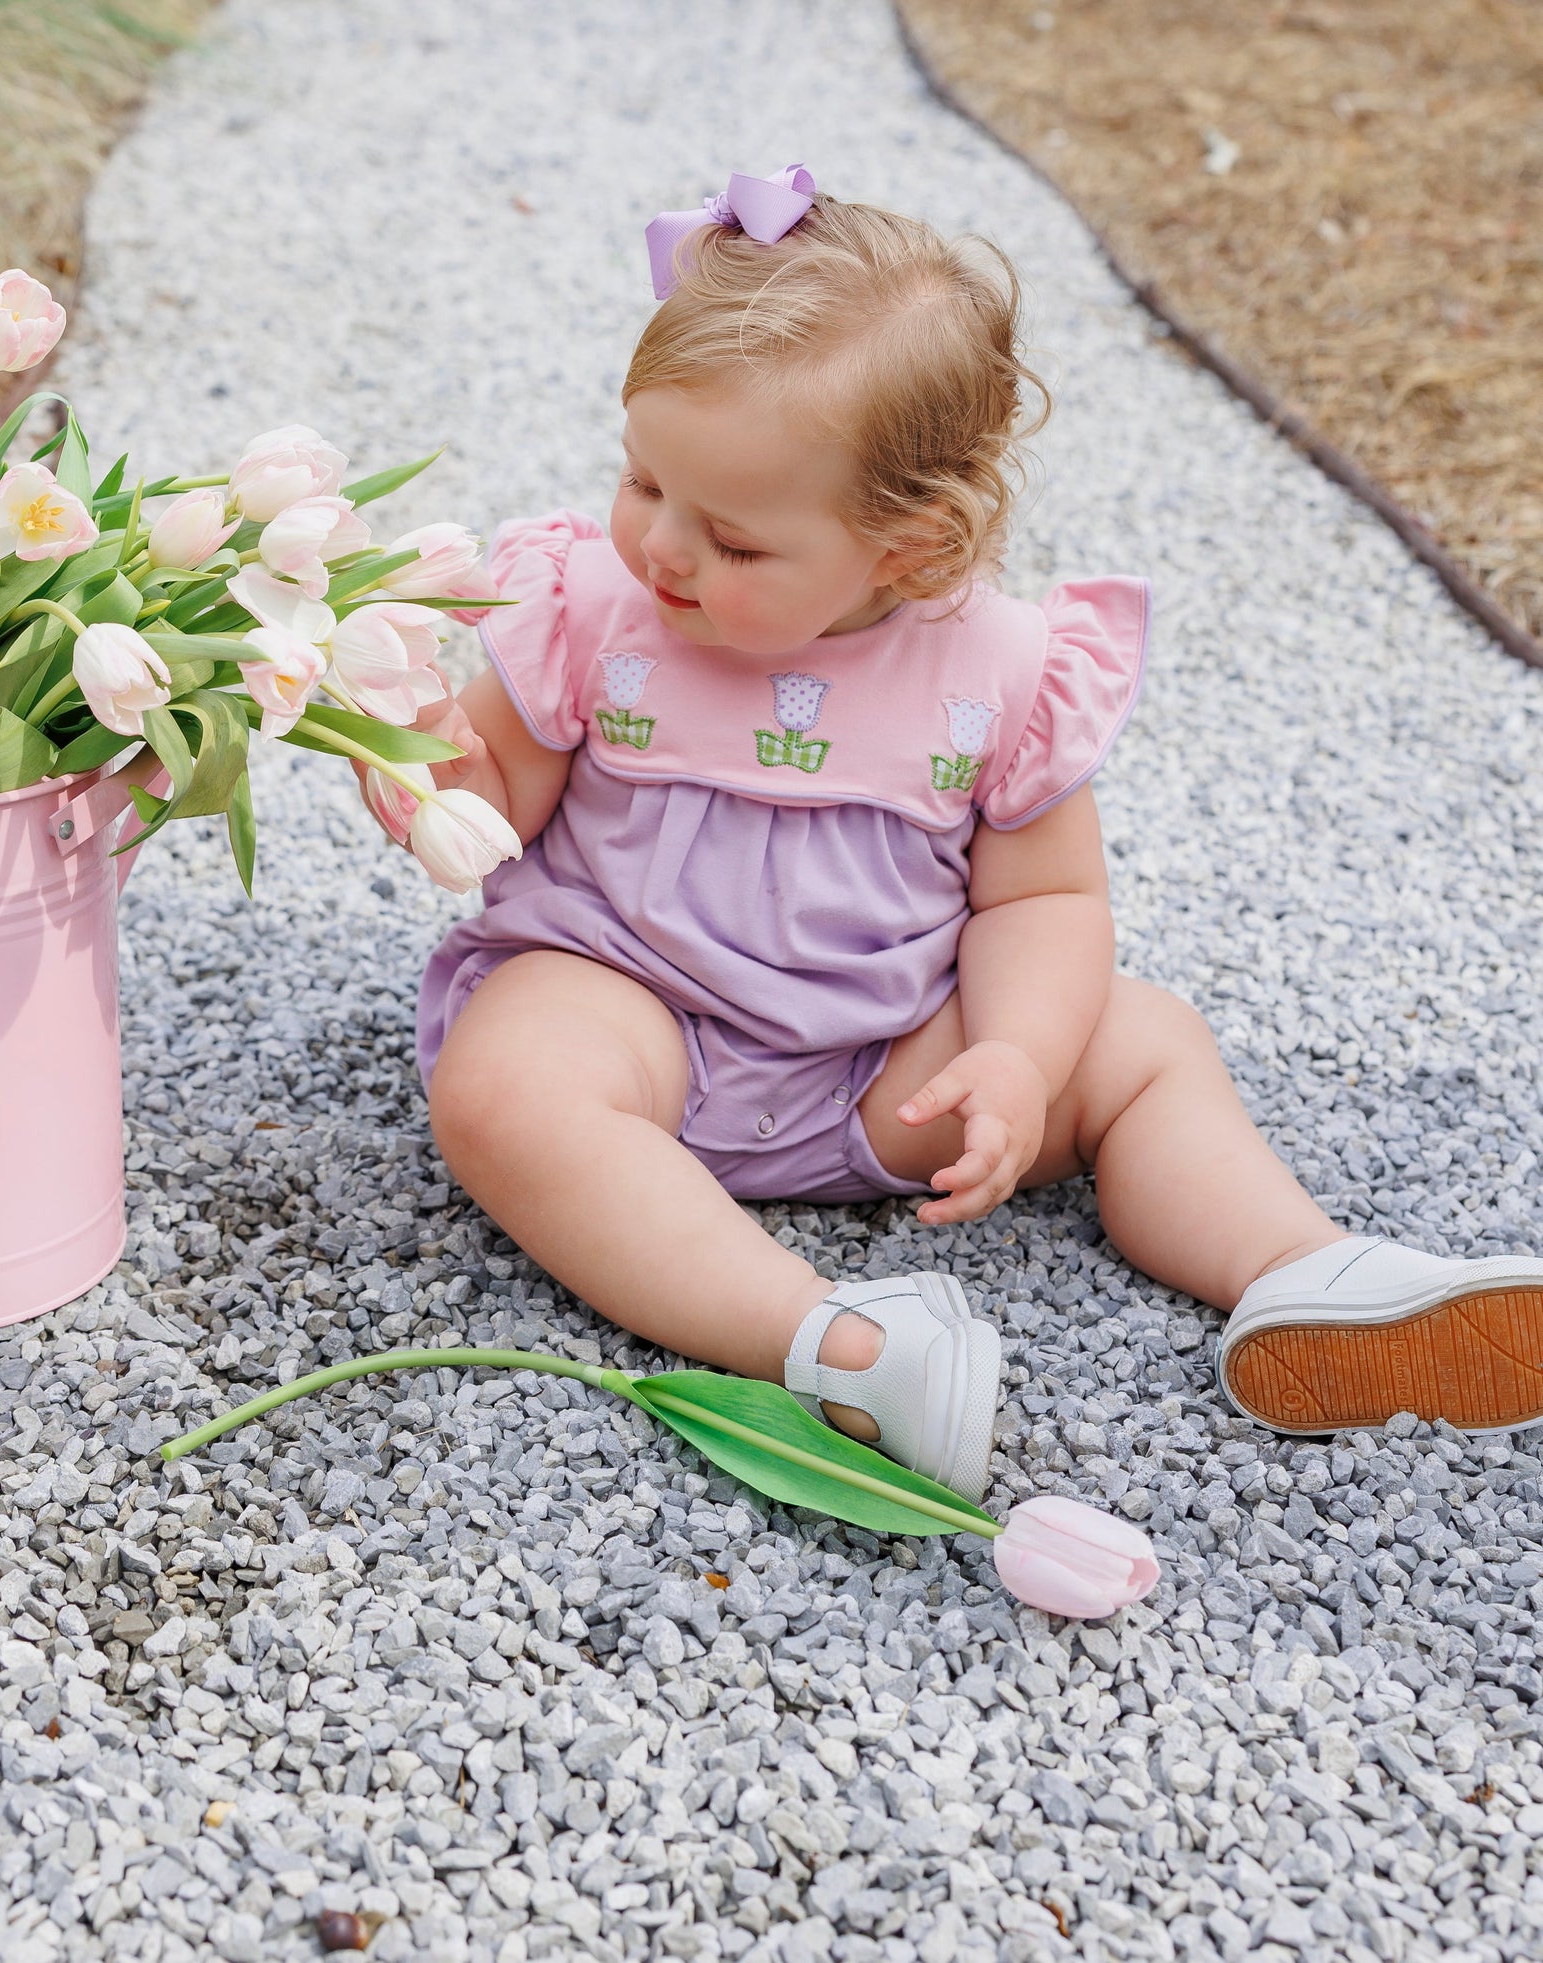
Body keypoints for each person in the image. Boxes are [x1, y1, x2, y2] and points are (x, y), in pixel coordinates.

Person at [394, 168, 1543, 1500]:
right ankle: (829, 1342)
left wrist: (1012, 1055)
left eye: (734, 540)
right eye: (641, 480)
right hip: (629, 1017)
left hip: (893, 1071)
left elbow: (1039, 906)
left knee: (1141, 1041)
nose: (660, 548)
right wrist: (415, 760)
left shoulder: (999, 670)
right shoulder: (595, 610)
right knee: (501, 1087)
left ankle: (1299, 1271)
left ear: (909, 548)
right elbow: (494, 803)